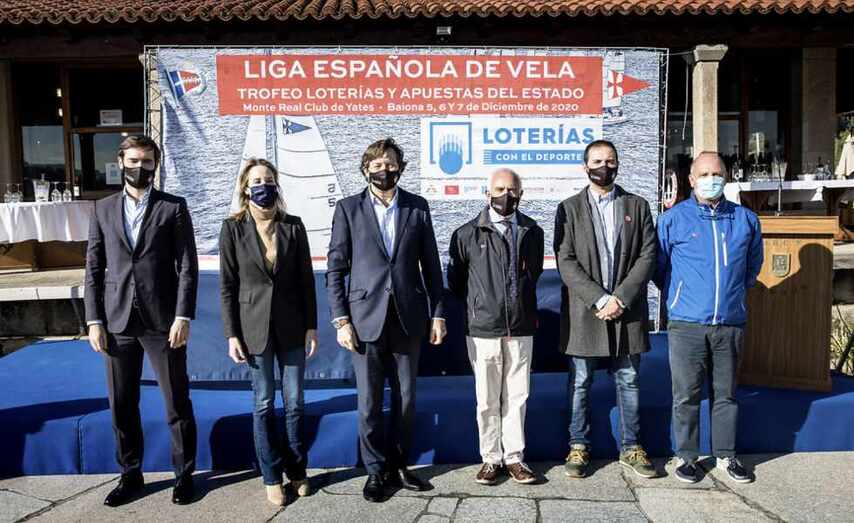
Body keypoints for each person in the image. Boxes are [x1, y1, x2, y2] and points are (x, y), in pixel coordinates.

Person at [326, 138, 446, 502]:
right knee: (369, 403)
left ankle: (399, 465)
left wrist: (438, 314)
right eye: (377, 165)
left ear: (401, 168)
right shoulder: (348, 209)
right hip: (364, 320)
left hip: (409, 319)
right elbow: (335, 269)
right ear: (366, 170)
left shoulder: (417, 207)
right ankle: (375, 471)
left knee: (407, 400)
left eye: (390, 164)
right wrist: (341, 320)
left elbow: (432, 267)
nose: (384, 170)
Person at [84, 135, 199, 506]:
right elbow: (93, 269)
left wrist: (182, 315)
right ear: (120, 161)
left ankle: (184, 476)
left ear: (155, 165)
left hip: (162, 321)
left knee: (176, 402)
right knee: (122, 404)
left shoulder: (173, 207)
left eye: (147, 162)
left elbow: (188, 267)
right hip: (116, 321)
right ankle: (130, 475)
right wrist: (94, 320)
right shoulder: (102, 209)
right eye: (133, 161)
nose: (140, 168)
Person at [655, 151, 763, 484]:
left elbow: (752, 266)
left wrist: (731, 296)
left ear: (726, 177)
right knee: (686, 394)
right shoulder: (673, 220)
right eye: (703, 174)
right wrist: (681, 296)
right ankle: (686, 457)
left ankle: (726, 455)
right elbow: (659, 269)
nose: (710, 180)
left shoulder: (746, 220)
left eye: (716, 174)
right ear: (691, 180)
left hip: (729, 323)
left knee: (726, 394)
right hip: (686, 323)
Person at [554, 139, 658, 480]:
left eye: (610, 160)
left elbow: (648, 255)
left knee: (629, 380)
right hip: (586, 312)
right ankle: (578, 445)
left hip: (627, 311)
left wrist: (620, 298)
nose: (604, 166)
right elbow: (565, 260)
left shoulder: (638, 206)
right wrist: (600, 299)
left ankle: (632, 447)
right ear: (585, 167)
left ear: (618, 164)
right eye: (597, 161)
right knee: (580, 382)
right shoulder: (568, 209)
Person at [219, 158, 318, 505]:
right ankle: (271, 476)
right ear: (246, 188)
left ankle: (297, 470)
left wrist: (311, 327)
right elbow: (227, 286)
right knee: (263, 403)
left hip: (292, 327)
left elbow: (307, 281)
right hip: (253, 329)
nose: (264, 186)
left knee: (295, 402)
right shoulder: (232, 229)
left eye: (269, 180)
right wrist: (232, 333)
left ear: (276, 184)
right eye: (257, 181)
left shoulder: (294, 226)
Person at [447, 168, 545, 485]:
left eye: (512, 190)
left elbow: (534, 274)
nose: (506, 195)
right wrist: (481, 305)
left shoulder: (532, 231)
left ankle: (514, 458)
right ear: (487, 193)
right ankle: (490, 458)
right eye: (500, 189)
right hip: (483, 329)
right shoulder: (466, 234)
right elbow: (456, 281)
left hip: (521, 327)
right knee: (487, 399)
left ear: (521, 193)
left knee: (517, 396)